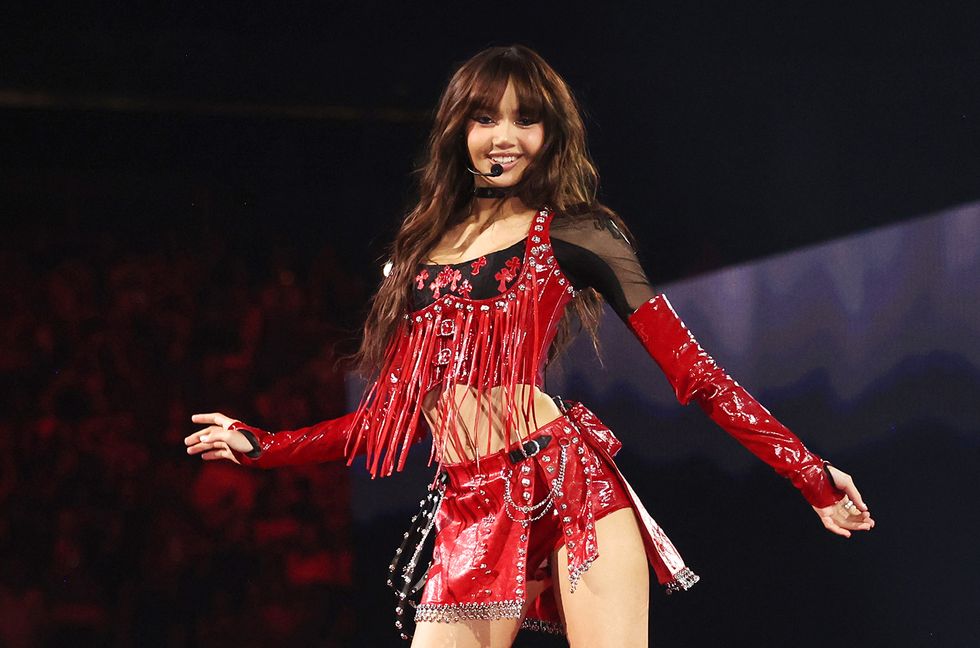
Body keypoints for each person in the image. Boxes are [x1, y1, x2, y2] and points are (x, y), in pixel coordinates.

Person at [184, 44, 874, 647]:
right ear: (459, 130)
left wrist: (811, 476)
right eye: (485, 117)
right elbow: (388, 418)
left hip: (569, 492)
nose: (503, 136)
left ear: (552, 132)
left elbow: (697, 375)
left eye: (526, 117)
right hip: (468, 506)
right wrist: (264, 444)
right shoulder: (419, 251)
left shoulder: (579, 235)